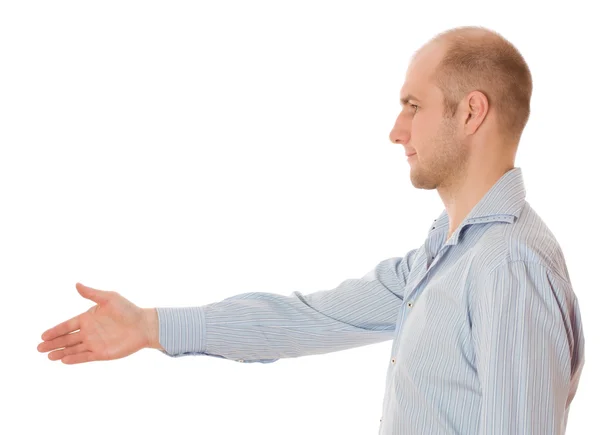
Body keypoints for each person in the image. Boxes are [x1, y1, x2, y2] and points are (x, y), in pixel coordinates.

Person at [37, 25, 584, 434]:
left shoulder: (508, 265)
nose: (396, 131)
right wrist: (150, 326)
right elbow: (310, 318)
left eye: (413, 105)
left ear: (471, 113)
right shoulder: (444, 256)